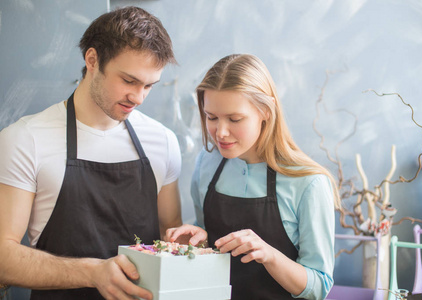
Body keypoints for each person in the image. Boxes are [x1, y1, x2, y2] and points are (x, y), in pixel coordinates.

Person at [0, 6, 182, 300]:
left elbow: (170, 237)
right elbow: (3, 259)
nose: (138, 97)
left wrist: (185, 247)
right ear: (93, 60)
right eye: (128, 80)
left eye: (149, 85)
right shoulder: (25, 140)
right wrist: (92, 273)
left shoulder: (163, 141)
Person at [166, 54, 340, 300]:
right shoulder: (207, 164)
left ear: (266, 111)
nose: (221, 132)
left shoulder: (309, 183)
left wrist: (269, 255)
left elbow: (319, 287)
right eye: (211, 117)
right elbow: (208, 237)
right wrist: (199, 238)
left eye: (235, 119)